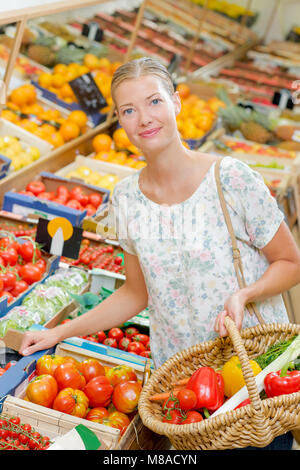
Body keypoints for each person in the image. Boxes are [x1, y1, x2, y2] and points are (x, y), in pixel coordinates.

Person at [20, 57, 300, 370]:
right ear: (119, 120)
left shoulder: (231, 178)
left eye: (154, 101)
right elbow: (135, 293)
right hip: (180, 379)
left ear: (176, 102)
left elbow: (290, 263)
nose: (144, 119)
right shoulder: (126, 198)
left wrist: (246, 294)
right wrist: (57, 332)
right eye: (129, 110)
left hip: (256, 363)